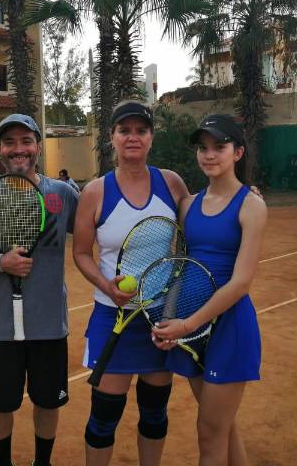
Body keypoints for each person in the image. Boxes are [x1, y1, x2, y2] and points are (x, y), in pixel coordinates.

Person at [72, 100, 190, 466]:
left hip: (160, 317)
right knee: (104, 419)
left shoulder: (171, 183)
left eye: (141, 130)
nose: (133, 137)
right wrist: (106, 286)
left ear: (151, 138)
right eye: (125, 131)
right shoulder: (95, 191)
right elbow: (81, 253)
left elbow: (202, 220)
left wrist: (242, 197)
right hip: (113, 317)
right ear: (112, 138)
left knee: (154, 414)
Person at [0, 113, 79, 466]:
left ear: (38, 147)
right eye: (10, 142)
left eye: (27, 141)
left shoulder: (61, 195)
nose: (19, 149)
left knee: (47, 401)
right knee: (0, 403)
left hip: (48, 323)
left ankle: (42, 462)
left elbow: (92, 238)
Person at [152, 114, 267, 466]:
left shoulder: (252, 205)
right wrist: (173, 320)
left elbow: (241, 282)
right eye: (203, 148)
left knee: (209, 432)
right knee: (223, 428)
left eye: (220, 147)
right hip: (190, 329)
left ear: (238, 153)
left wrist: (189, 325)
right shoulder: (188, 206)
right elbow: (179, 266)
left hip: (228, 329)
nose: (209, 155)